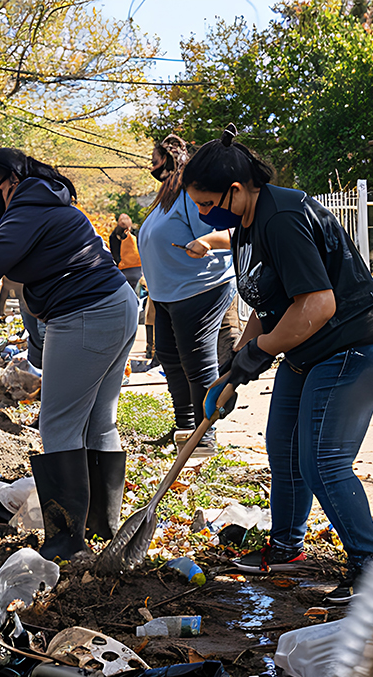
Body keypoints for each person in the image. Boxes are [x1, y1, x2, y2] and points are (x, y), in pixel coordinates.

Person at [185, 125, 373, 604]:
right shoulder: (246, 226)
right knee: (283, 449)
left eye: (206, 203)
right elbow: (270, 309)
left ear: (237, 190)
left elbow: (318, 304)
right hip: (308, 349)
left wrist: (259, 354)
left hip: (356, 342)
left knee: (322, 460)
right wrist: (235, 368)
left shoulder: (282, 217)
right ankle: (286, 547)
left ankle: (372, 570)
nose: (204, 214)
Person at [0, 148, 137, 560]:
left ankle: (66, 541)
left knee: (58, 423)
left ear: (13, 178)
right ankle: (102, 525)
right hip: (116, 303)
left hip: (85, 312)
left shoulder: (29, 202)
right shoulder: (51, 199)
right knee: (99, 420)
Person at [138, 135, 236, 453]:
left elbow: (231, 232)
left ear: (168, 160)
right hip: (169, 294)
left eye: (154, 160)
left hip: (201, 288)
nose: (150, 166)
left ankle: (205, 435)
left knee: (196, 361)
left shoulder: (189, 196)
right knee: (168, 355)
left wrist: (207, 242)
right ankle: (185, 429)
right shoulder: (167, 198)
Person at [108, 213, 143, 291]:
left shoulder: (114, 236)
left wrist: (119, 263)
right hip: (138, 267)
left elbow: (114, 253)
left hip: (124, 268)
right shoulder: (136, 232)